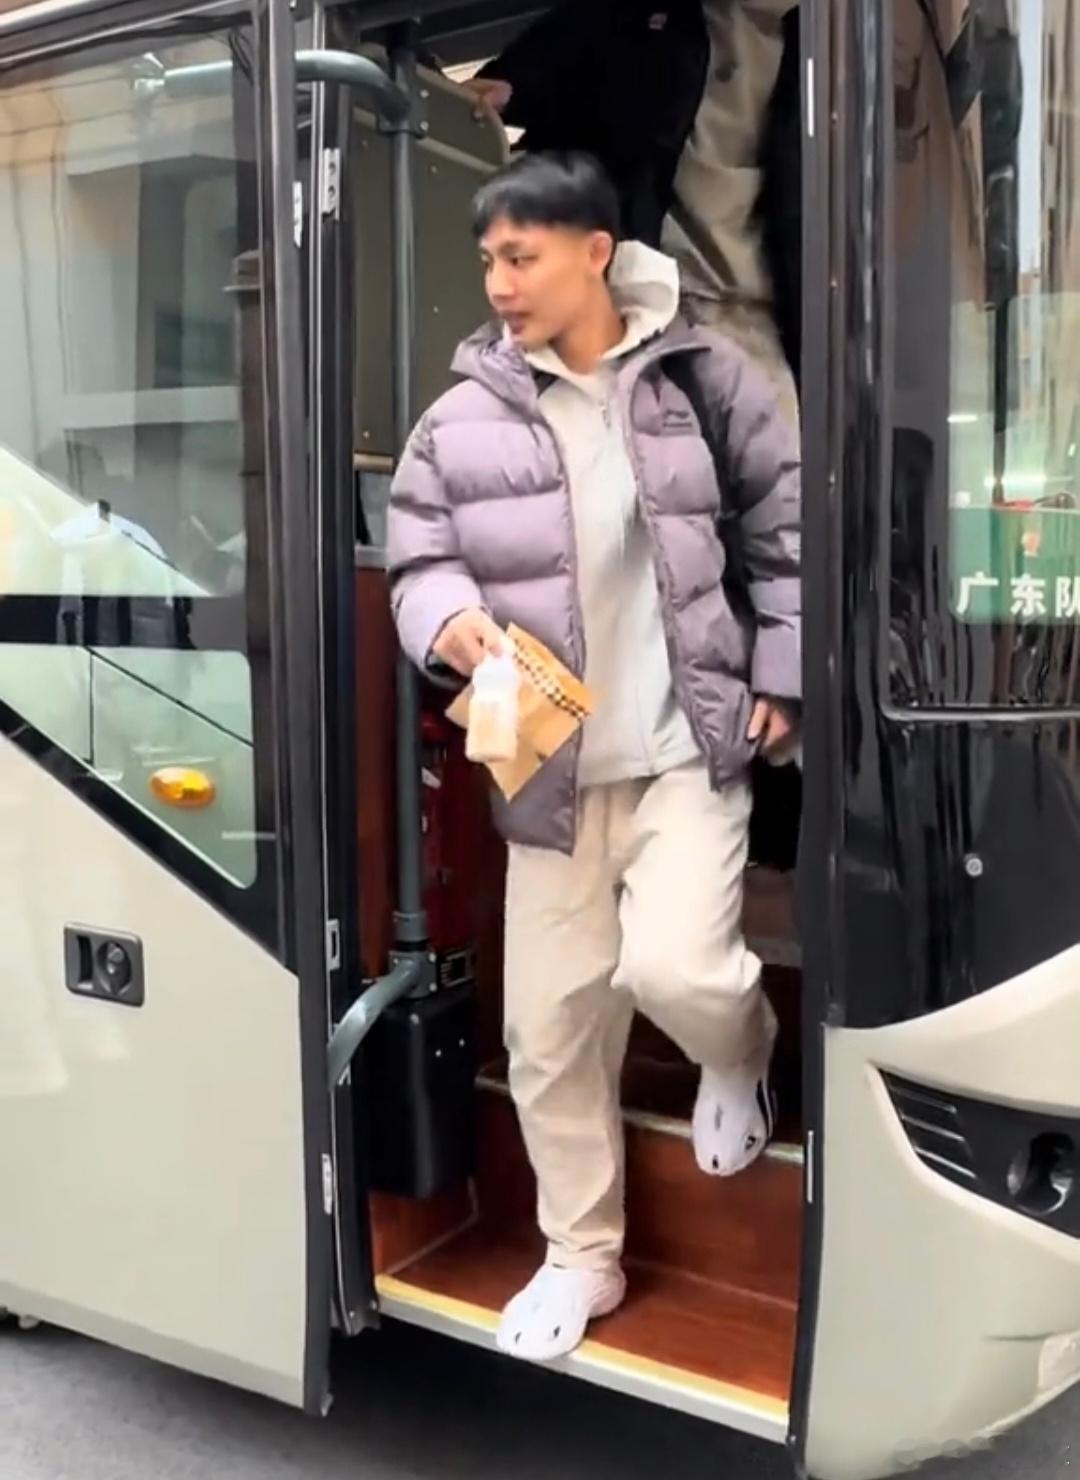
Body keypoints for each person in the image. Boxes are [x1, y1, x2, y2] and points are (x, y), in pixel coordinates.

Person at [387, 152, 800, 1362]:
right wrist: (446, 619)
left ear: (595, 253)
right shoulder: (460, 418)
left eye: (520, 257)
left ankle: (744, 1052)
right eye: (489, 261)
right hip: (549, 773)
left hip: (684, 751)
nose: (499, 284)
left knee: (682, 969)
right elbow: (418, 557)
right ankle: (583, 1255)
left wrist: (782, 676)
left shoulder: (704, 378)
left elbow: (786, 527)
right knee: (549, 1033)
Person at [466, 0, 801, 420]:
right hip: (642, 289)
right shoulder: (640, 17)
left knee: (770, 450)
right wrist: (507, 89)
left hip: (749, 307)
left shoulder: (827, 48)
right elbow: (536, 70)